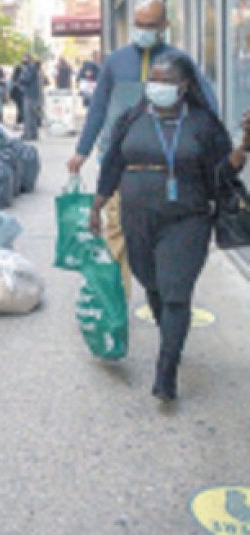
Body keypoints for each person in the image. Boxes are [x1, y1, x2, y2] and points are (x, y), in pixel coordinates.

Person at [90, 53, 246, 401]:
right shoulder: (132, 118)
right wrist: (97, 205)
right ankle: (171, 336)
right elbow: (112, 163)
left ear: (184, 86)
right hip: (137, 217)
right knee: (153, 285)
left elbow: (222, 174)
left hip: (186, 220)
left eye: (165, 81)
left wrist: (243, 148)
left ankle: (167, 369)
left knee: (176, 291)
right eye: (153, 80)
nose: (156, 87)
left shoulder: (203, 124)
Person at [68, 0, 218, 297]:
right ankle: (116, 302)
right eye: (138, 24)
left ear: (165, 26)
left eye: (150, 25)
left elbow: (206, 105)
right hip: (121, 164)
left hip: (167, 168)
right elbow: (98, 108)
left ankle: (162, 293)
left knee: (156, 237)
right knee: (116, 233)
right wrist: (82, 151)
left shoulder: (179, 63)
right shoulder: (115, 62)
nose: (143, 30)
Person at [18, 54, 41, 140]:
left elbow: (26, 79)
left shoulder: (30, 68)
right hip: (34, 94)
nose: (22, 59)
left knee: (28, 115)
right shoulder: (34, 67)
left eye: (24, 57)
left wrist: (20, 79)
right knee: (33, 116)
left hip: (29, 94)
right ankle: (34, 134)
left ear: (28, 58)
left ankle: (28, 134)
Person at [10, 64, 25, 128]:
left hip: (16, 94)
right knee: (20, 108)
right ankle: (20, 120)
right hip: (20, 93)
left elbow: (13, 84)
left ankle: (19, 120)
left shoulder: (14, 75)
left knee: (19, 108)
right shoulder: (21, 75)